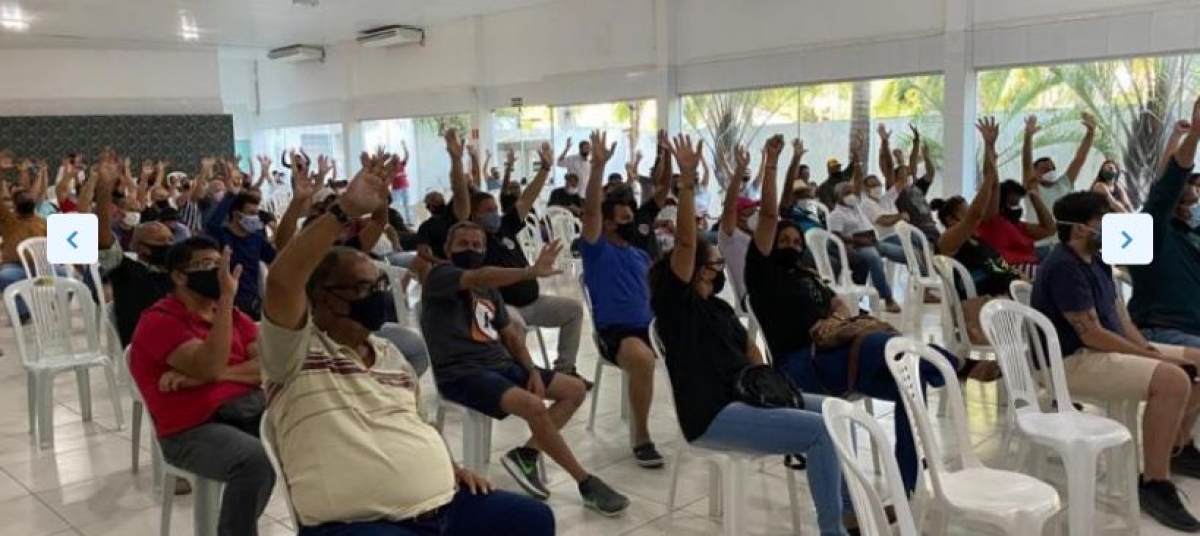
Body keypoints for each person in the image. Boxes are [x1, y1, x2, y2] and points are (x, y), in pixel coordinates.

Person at [260, 154, 554, 536]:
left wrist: (450, 469)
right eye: (365, 288)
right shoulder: (295, 354)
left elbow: (420, 425)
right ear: (323, 297)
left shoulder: (391, 356)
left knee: (532, 518)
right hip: (358, 523)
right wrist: (345, 209)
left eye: (381, 285)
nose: (379, 295)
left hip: (442, 504)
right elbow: (283, 281)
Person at [746, 133, 976, 494]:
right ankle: (955, 366)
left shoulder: (807, 275)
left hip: (835, 351)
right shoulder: (763, 274)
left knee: (909, 382)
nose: (790, 245)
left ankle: (906, 483)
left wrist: (837, 322)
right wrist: (773, 163)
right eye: (783, 241)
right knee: (885, 345)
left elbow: (838, 304)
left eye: (795, 242)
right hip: (800, 364)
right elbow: (771, 214)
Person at [649, 134, 849, 536]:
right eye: (714, 263)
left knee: (834, 412)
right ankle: (835, 530)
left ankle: (848, 513)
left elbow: (750, 349)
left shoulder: (720, 308)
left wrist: (767, 385)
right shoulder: (676, 306)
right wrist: (685, 183)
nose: (719, 269)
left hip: (745, 395)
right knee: (818, 433)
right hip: (713, 412)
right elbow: (686, 242)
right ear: (694, 268)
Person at [414, 219, 630, 515]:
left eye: (477, 245)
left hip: (499, 365)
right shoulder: (440, 276)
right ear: (448, 249)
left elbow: (510, 337)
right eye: (463, 244)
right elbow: (478, 275)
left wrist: (531, 370)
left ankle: (526, 454)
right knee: (533, 405)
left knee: (575, 389)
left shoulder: (489, 291)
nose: (471, 250)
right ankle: (585, 481)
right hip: (462, 374)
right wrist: (529, 272)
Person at [1032, 190, 1200, 532]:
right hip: (1067, 362)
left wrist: (1147, 349)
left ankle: (1177, 445)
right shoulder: (1064, 266)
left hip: (1098, 351)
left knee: (1197, 360)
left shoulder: (1097, 261)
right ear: (1080, 228)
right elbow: (1091, 334)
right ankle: (1154, 482)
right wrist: (1146, 357)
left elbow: (1120, 318)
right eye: (1103, 220)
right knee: (1172, 381)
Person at [128, 237, 273, 536]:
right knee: (254, 461)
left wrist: (214, 376)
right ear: (179, 277)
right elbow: (209, 364)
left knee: (313, 434)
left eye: (220, 264)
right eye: (207, 265)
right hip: (190, 430)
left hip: (244, 410)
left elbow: (268, 366)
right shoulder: (160, 321)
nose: (218, 272)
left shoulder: (230, 315)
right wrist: (228, 298)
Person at [448, 138, 589, 383]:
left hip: (533, 302)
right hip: (504, 307)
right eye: (488, 210)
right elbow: (460, 197)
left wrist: (545, 169)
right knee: (514, 325)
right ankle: (518, 378)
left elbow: (527, 199)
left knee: (573, 310)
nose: (494, 213)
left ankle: (565, 370)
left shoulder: (505, 227)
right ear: (474, 215)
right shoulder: (473, 239)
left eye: (495, 209)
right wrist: (458, 160)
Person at [580, 130, 666, 468]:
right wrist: (598, 167)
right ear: (609, 225)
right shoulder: (597, 249)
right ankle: (641, 436)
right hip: (616, 332)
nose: (632, 221)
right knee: (642, 359)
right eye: (625, 218)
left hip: (650, 328)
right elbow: (591, 212)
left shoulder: (640, 255)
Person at [1132, 114, 1200, 351]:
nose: (1196, 192)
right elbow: (1167, 183)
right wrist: (1192, 135)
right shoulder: (1152, 230)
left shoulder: (1191, 234)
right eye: (1191, 185)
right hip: (1164, 332)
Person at [205, 171, 302, 319]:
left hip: (251, 302)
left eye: (256, 213)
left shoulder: (257, 239)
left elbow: (276, 259)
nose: (255, 218)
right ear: (237, 215)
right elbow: (211, 225)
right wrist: (230, 195)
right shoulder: (221, 236)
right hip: (226, 304)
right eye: (251, 213)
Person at [828, 175, 902, 314]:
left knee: (902, 252)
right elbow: (836, 236)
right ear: (838, 196)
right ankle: (888, 298)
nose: (851, 195)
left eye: (852, 192)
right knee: (874, 259)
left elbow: (857, 184)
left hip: (871, 241)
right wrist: (859, 241)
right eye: (847, 193)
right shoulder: (836, 214)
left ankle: (924, 277)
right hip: (856, 246)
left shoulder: (856, 208)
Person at [1023, 113, 1097, 239]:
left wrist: (1091, 133)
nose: (1050, 171)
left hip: (1065, 243)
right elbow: (1026, 165)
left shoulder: (1064, 183)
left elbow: (1079, 160)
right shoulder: (1033, 189)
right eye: (1045, 169)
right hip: (1041, 244)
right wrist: (1028, 137)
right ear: (1035, 172)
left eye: (1053, 168)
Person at [973, 175, 1055, 279]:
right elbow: (992, 189)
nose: (1017, 208)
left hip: (1030, 265)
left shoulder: (1017, 225)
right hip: (1009, 268)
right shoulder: (990, 222)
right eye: (1012, 203)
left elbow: (1049, 229)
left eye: (1018, 203)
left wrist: (1034, 197)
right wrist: (991, 170)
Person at [0, 167, 49, 321]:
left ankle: (52, 304)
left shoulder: (44, 223)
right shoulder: (8, 220)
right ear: (14, 205)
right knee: (4, 276)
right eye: (19, 197)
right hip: (16, 270)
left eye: (26, 195)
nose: (24, 198)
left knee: (64, 276)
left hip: (41, 272)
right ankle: (23, 312)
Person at [886, 126, 940, 244]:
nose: (908, 174)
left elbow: (930, 173)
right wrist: (900, 161)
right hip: (917, 231)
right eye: (905, 173)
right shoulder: (896, 193)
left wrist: (923, 152)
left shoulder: (917, 188)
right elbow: (906, 171)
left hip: (932, 228)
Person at [716, 147, 756, 302]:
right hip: (752, 297)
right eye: (749, 213)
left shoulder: (756, 237)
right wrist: (739, 170)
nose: (754, 216)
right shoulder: (730, 236)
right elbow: (730, 206)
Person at [416, 190, 455, 260]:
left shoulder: (455, 218)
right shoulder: (426, 226)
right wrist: (441, 262)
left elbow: (422, 251)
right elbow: (422, 251)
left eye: (439, 203)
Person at [391, 140, 412, 221]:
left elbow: (407, 156)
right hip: (396, 189)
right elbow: (391, 176)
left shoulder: (401, 164)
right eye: (395, 157)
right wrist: (399, 174)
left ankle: (409, 220)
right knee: (396, 206)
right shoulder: (390, 167)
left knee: (407, 205)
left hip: (405, 187)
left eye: (397, 157)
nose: (397, 158)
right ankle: (398, 220)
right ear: (392, 160)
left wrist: (404, 146)